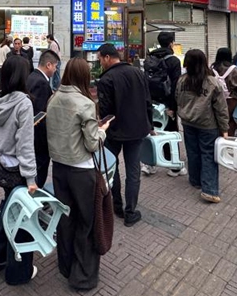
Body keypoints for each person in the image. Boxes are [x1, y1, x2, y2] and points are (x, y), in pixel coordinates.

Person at [46, 58, 110, 290]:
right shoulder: (85, 103)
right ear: (84, 76)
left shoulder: (53, 98)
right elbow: (92, 144)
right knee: (87, 221)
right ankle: (82, 276)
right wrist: (102, 131)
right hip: (81, 171)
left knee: (66, 218)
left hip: (59, 167)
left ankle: (66, 265)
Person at [0, 55, 39, 284]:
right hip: (17, 169)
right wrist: (31, 178)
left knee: (8, 207)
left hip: (0, 165)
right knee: (22, 219)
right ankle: (18, 272)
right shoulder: (24, 103)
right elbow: (25, 145)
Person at [96, 43, 153, 227]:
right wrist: (149, 124)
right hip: (137, 129)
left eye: (99, 59)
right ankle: (131, 212)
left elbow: (106, 111)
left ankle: (117, 206)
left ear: (106, 57)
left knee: (111, 168)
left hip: (114, 131)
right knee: (133, 170)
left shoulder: (106, 79)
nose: (100, 63)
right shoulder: (137, 72)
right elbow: (147, 101)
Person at [176, 49, 229, 203]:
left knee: (192, 151)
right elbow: (221, 108)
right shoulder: (212, 82)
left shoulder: (182, 80)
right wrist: (224, 128)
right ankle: (210, 189)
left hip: (187, 121)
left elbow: (178, 99)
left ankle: (195, 180)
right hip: (207, 124)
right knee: (208, 154)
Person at [142, 31, 184, 177]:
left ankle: (149, 164)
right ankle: (174, 166)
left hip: (151, 102)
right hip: (167, 103)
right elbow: (175, 86)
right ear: (171, 43)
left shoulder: (150, 58)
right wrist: (173, 107)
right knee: (171, 132)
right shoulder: (173, 61)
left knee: (153, 130)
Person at [27, 49, 59, 187]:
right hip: (38, 138)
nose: (56, 69)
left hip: (30, 135)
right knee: (40, 169)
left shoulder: (31, 77)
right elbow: (40, 115)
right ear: (48, 65)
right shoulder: (41, 83)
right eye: (55, 66)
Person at [211, 47, 237, 136]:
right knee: (231, 123)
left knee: (216, 121)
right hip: (231, 101)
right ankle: (227, 142)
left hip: (214, 100)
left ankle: (216, 142)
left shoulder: (212, 68)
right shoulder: (234, 69)